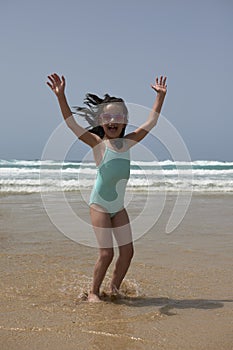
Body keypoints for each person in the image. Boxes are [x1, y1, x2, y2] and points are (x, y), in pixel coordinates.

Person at [46, 73, 167, 302]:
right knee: (106, 253)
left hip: (118, 207)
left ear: (125, 120)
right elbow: (71, 123)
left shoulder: (130, 141)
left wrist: (160, 97)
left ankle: (113, 288)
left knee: (128, 252)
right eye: (107, 116)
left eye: (118, 116)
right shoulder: (97, 143)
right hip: (100, 205)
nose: (113, 121)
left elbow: (151, 121)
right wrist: (61, 96)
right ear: (101, 121)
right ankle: (93, 292)